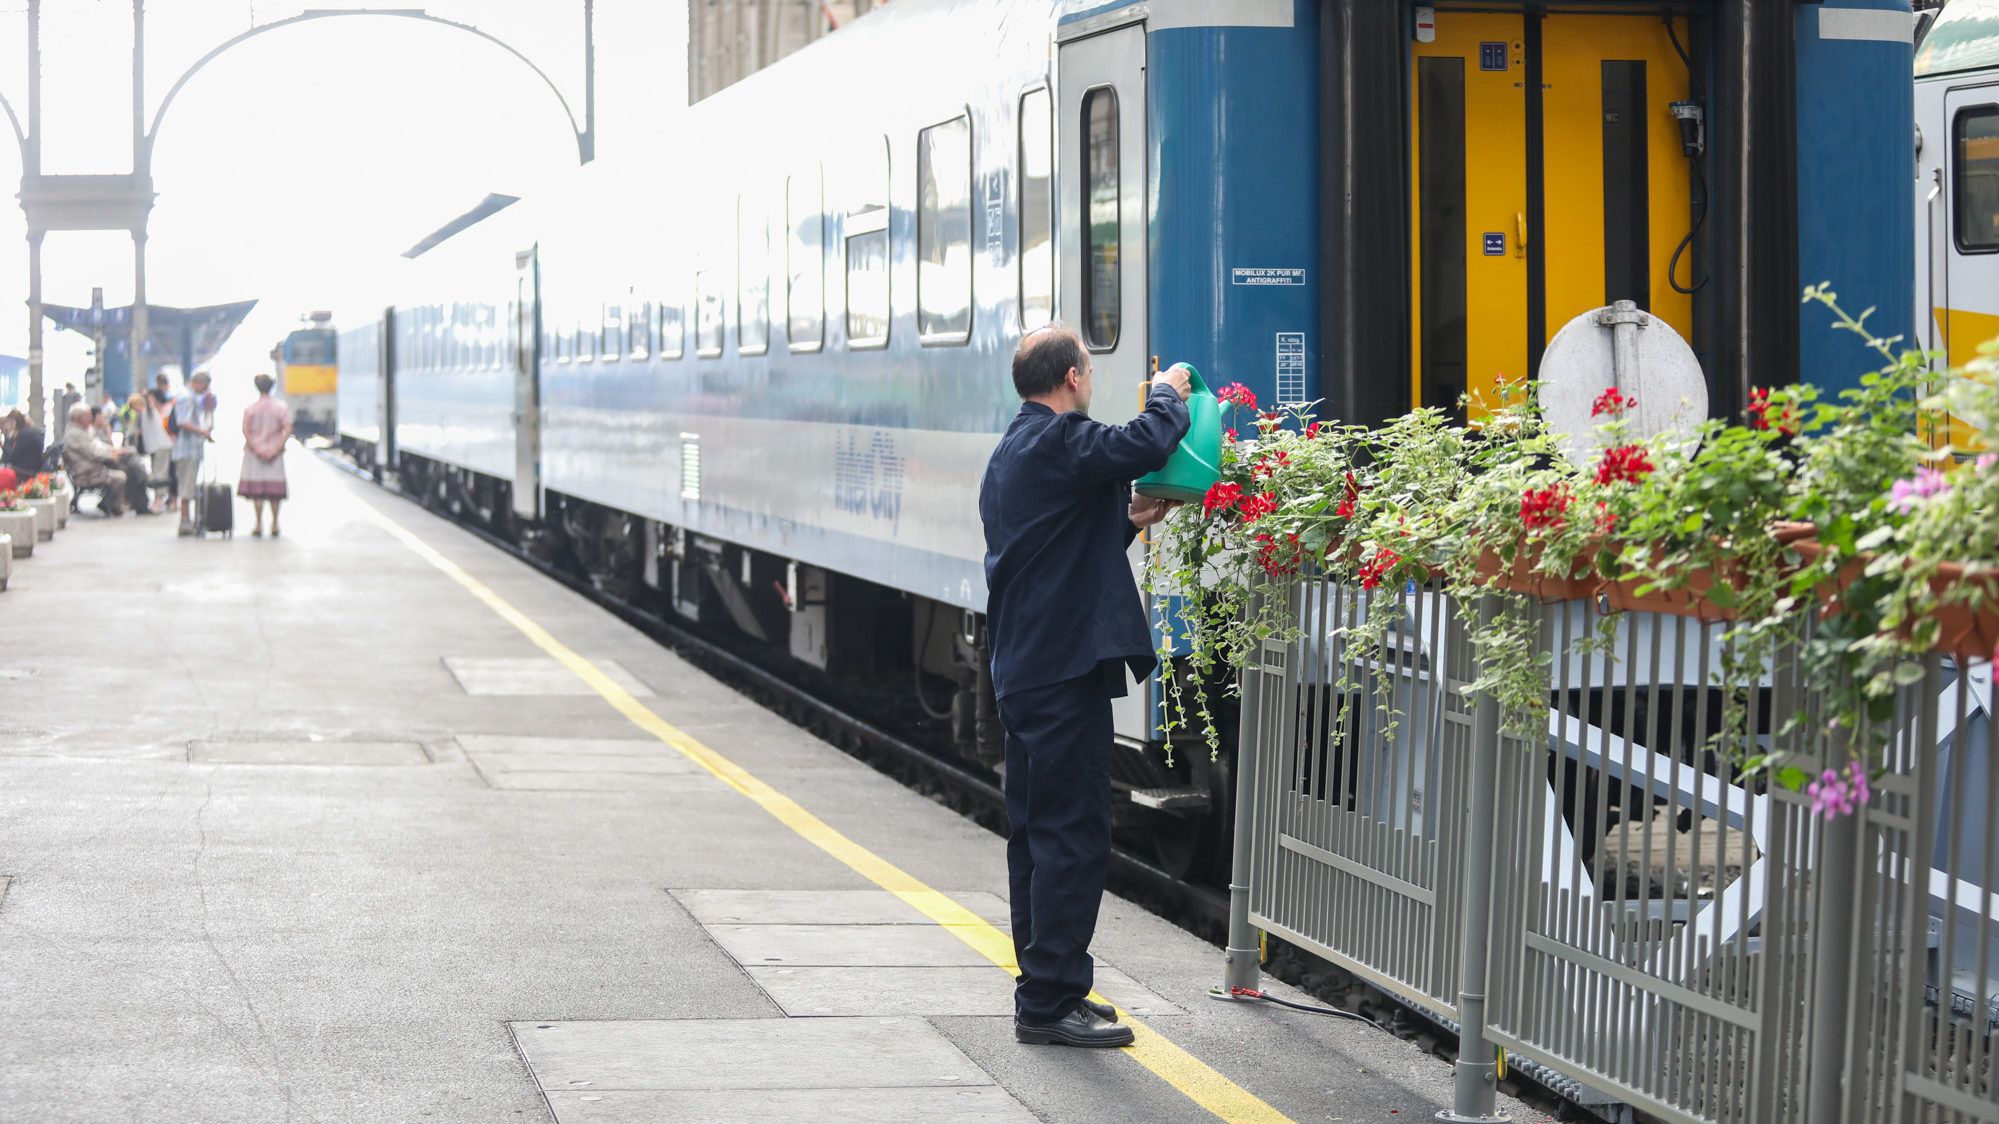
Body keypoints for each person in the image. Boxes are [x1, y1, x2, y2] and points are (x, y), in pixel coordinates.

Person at [977, 324, 1190, 1049]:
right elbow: (1145, 443)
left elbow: (1049, 551)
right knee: (1072, 836)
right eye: (1089, 374)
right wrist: (1166, 394)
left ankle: (1049, 990)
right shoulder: (1057, 440)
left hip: (1030, 666)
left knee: (1040, 835)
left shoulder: (1014, 449)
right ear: (1072, 376)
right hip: (1058, 673)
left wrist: (1123, 523)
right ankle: (1046, 1002)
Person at [59, 403, 147, 516]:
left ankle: (125, 502)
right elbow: (93, 452)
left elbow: (97, 446)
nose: (90, 418)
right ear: (79, 418)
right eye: (88, 415)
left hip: (91, 469)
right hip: (88, 473)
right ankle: (115, 505)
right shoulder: (75, 434)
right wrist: (112, 454)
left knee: (129, 467)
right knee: (123, 474)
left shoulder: (81, 431)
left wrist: (114, 451)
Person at [239, 374, 292, 536]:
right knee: (274, 491)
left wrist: (256, 448)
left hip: (255, 454)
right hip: (275, 454)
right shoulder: (281, 407)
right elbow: (288, 428)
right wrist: (276, 448)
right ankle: (275, 524)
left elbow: (245, 430)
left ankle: (258, 524)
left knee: (258, 491)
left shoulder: (251, 409)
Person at [171, 371, 215, 535]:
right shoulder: (187, 398)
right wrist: (202, 432)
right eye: (205, 386)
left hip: (191, 449)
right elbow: (183, 422)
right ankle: (185, 520)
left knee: (188, 484)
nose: (206, 390)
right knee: (187, 485)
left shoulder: (192, 398)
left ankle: (189, 519)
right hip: (186, 450)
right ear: (197, 383)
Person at [1, 410, 44, 476]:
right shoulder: (24, 433)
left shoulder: (25, 435)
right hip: (26, 467)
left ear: (14, 422)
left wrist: (3, 446)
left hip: (28, 470)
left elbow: (13, 457)